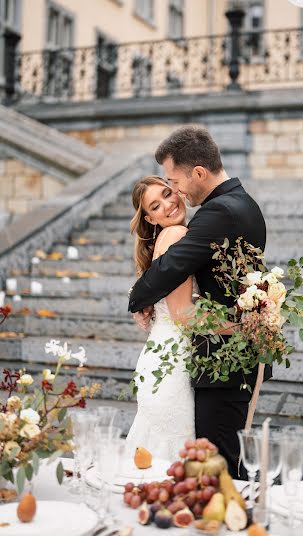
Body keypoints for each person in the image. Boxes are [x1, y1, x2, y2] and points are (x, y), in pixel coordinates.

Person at [128, 125, 271, 477]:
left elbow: (170, 270)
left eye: (173, 182)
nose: (174, 191)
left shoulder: (218, 212)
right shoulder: (245, 204)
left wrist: (137, 297)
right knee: (215, 467)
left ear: (198, 173)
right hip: (215, 357)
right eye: (160, 198)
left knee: (214, 469)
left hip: (223, 360)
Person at [126, 175, 196, 460]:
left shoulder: (169, 237)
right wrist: (240, 325)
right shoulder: (177, 236)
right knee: (172, 457)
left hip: (161, 358)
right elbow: (182, 314)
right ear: (150, 219)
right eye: (156, 206)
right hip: (171, 367)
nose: (168, 205)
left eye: (168, 194)